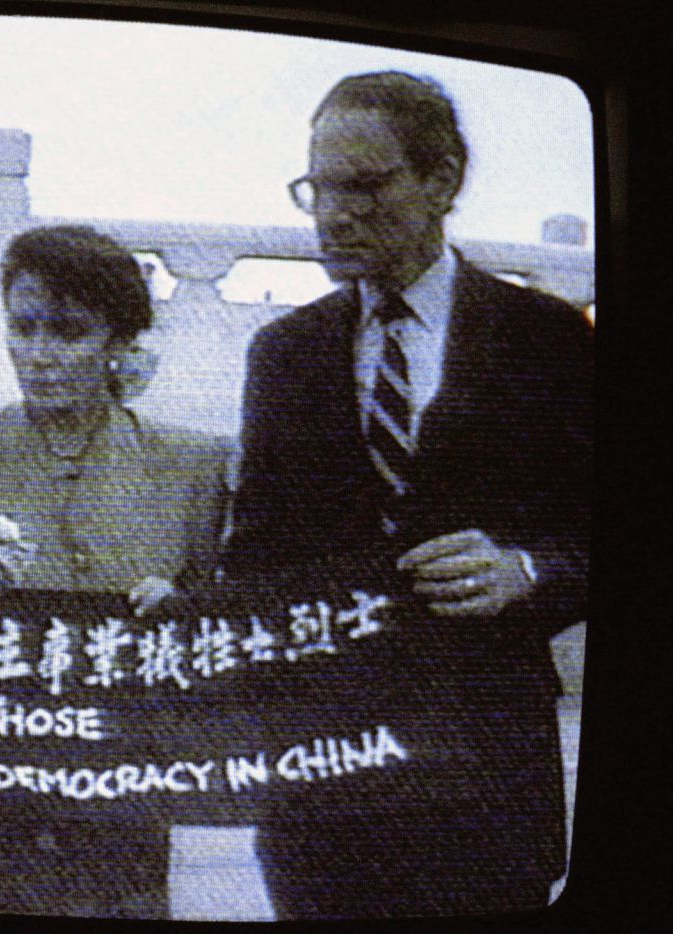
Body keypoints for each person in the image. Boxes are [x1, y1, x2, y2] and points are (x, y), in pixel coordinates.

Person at [220, 71, 593, 918]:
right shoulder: (284, 353)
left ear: (443, 180)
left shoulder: (547, 338)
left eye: (364, 185)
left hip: (487, 782)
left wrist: (528, 573)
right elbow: (257, 557)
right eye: (318, 188)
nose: (333, 214)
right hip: (326, 788)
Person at [0, 225, 232, 918]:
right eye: (24, 328)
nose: (39, 355)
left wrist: (182, 613)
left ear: (118, 343)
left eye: (69, 332)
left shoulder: (193, 466)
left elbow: (219, 631)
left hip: (114, 815)